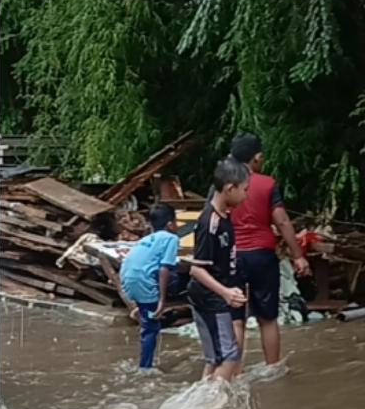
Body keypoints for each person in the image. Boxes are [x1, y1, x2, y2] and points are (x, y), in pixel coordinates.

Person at [225, 133, 310, 372]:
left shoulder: (223, 184)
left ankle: (234, 373)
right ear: (257, 157)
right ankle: (273, 369)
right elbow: (282, 221)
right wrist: (298, 255)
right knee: (268, 318)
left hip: (233, 256)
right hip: (262, 255)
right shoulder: (267, 184)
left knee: (236, 319)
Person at [189, 158, 250, 381]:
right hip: (211, 296)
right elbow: (196, 270)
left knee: (215, 358)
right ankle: (215, 408)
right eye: (245, 190)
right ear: (229, 188)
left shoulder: (224, 216)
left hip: (215, 294)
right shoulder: (210, 223)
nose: (246, 195)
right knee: (230, 356)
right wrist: (225, 292)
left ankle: (201, 405)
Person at [120, 203, 180, 370]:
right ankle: (145, 368)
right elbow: (164, 268)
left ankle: (145, 310)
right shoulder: (172, 238)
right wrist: (162, 299)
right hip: (143, 281)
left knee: (148, 320)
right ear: (170, 224)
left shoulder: (146, 239)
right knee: (151, 329)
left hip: (128, 279)